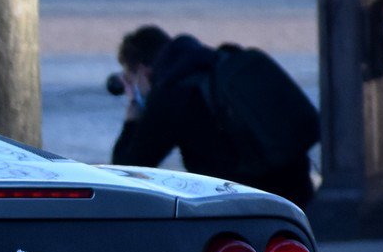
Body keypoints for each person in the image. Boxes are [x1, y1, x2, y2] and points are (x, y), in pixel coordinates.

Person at [110, 24, 317, 206]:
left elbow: (127, 170)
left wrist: (133, 116)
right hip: (297, 185)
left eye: (130, 80)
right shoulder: (222, 60)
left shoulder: (173, 94)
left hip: (244, 201)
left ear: (142, 71)